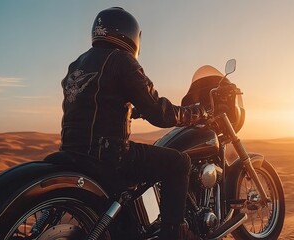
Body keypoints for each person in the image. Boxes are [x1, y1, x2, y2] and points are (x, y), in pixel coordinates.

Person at [59, 7, 206, 240]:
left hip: (72, 152)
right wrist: (194, 113)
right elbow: (160, 113)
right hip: (110, 156)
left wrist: (130, 110)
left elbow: (96, 103)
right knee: (178, 162)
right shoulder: (123, 61)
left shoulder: (77, 64)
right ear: (131, 34)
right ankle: (175, 233)